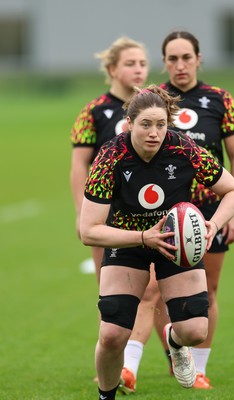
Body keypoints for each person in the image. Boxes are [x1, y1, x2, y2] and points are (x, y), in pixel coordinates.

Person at [79, 84, 234, 400]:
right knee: (112, 333)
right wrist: (143, 237)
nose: (154, 132)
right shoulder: (111, 156)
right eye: (145, 124)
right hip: (128, 242)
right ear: (129, 123)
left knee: (195, 331)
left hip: (173, 241)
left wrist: (212, 225)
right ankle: (106, 396)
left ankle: (175, 340)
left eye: (161, 124)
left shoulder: (182, 148)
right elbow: (89, 231)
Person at [122, 31, 234, 391]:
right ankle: (131, 365)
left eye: (186, 57)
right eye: (172, 58)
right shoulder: (153, 101)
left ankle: (198, 368)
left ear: (198, 58)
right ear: (164, 61)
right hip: (159, 213)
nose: (180, 65)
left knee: (208, 289)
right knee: (149, 291)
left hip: (207, 214)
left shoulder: (220, 100)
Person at [70, 36, 149, 279]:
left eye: (143, 63)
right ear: (112, 69)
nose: (138, 69)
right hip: (106, 212)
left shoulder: (154, 107)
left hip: (149, 208)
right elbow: (79, 164)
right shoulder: (93, 111)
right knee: (110, 293)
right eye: (130, 63)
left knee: (155, 292)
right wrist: (81, 213)